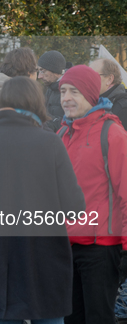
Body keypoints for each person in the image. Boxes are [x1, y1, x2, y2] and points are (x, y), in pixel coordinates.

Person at [0, 76, 85, 324]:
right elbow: (75, 207)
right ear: (36, 103)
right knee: (49, 317)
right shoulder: (50, 142)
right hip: (44, 256)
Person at [56, 65, 127, 324]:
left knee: (98, 318)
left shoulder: (113, 133)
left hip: (101, 248)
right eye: (63, 91)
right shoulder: (63, 133)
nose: (66, 98)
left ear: (90, 94)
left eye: (74, 91)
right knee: (71, 319)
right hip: (66, 246)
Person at [90, 58, 127, 130]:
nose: (88, 79)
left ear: (110, 79)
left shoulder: (123, 108)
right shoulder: (93, 102)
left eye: (93, 75)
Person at [37, 50, 66, 132]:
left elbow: (67, 124)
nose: (39, 76)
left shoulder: (71, 90)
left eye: (43, 71)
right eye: (39, 71)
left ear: (56, 71)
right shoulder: (51, 88)